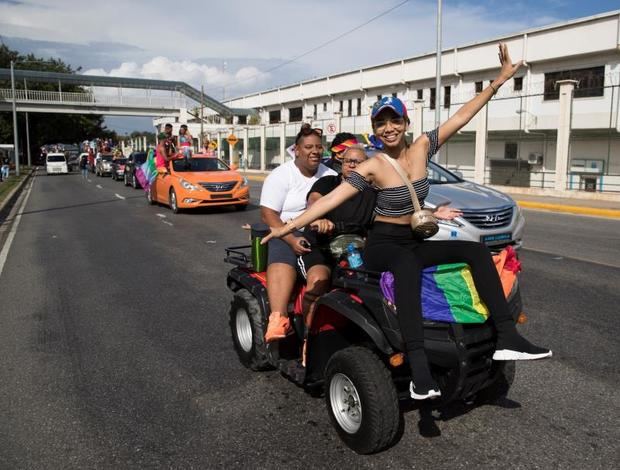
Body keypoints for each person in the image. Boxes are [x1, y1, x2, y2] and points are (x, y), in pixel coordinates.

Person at [262, 44, 551, 401]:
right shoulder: (372, 166)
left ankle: (507, 336)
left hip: (413, 239)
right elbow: (331, 201)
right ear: (374, 130)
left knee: (475, 252)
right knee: (407, 264)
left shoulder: (423, 149)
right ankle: (419, 370)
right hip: (383, 246)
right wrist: (286, 228)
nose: (389, 128)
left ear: (405, 123)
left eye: (394, 120)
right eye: (381, 123)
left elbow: (462, 117)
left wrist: (500, 80)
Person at [260, 123, 337, 342]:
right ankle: (279, 318)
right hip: (285, 231)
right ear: (297, 149)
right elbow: (268, 214)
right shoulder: (281, 175)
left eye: (319, 147)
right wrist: (291, 239)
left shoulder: (330, 174)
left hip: (320, 233)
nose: (315, 151)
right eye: (309, 147)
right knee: (282, 252)